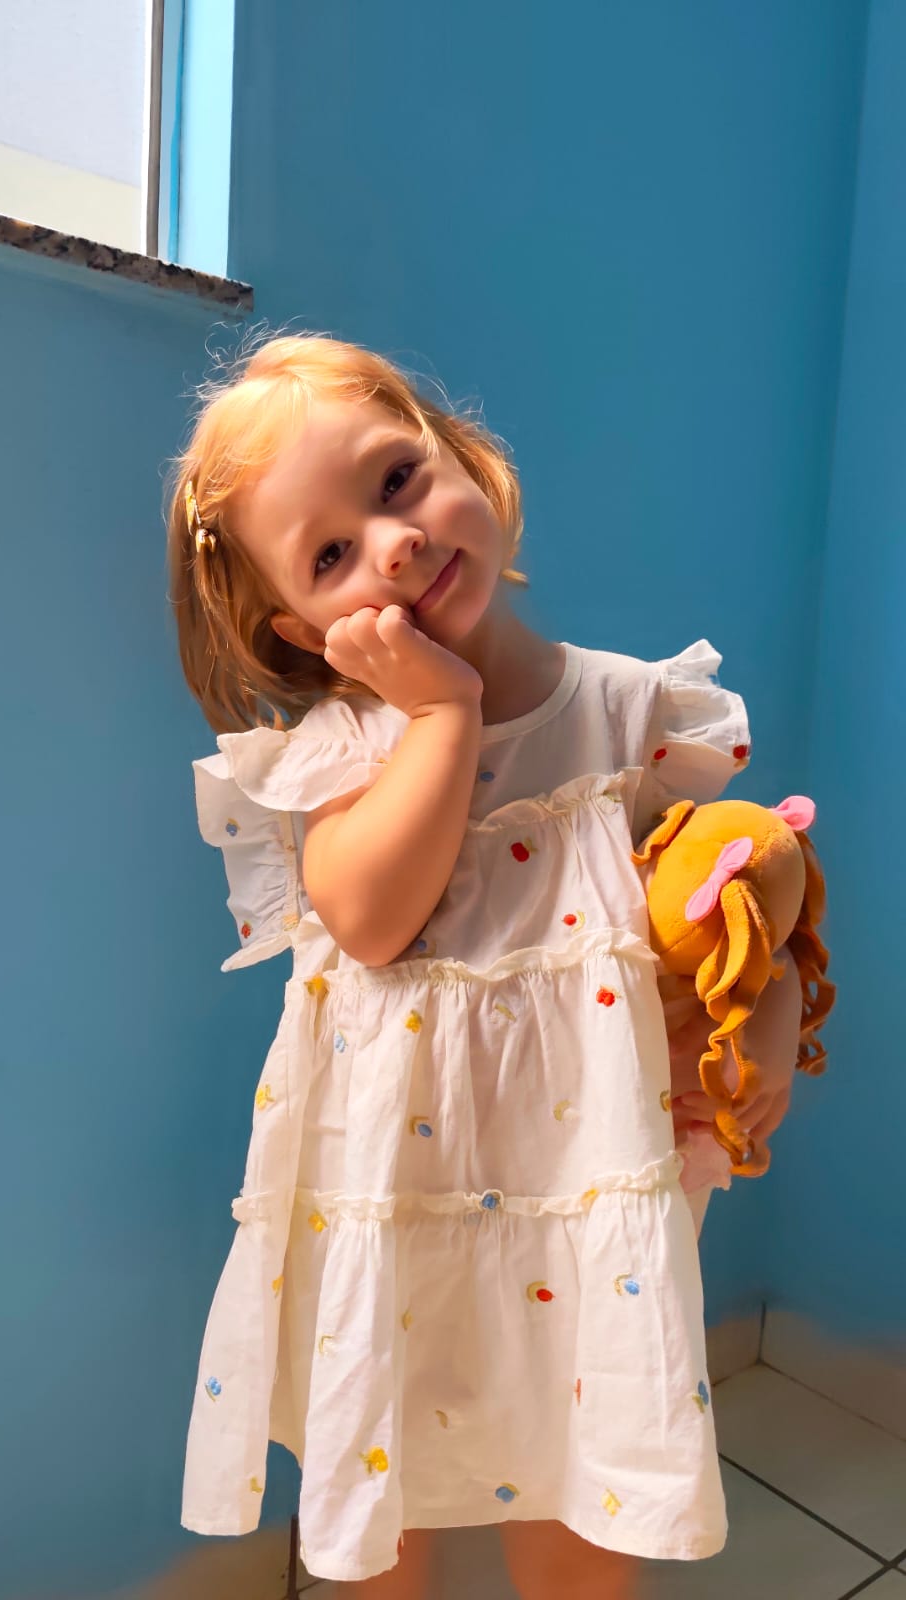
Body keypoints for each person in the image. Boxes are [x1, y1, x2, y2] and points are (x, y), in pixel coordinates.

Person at [165, 331, 802, 1600]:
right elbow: (370, 921)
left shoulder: (630, 713)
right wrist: (440, 711)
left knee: (579, 1494)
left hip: (578, 1201)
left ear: (465, 458)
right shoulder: (344, 750)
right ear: (307, 631)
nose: (392, 543)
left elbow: (712, 913)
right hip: (389, 1204)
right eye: (332, 556)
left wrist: (766, 1016)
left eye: (398, 480)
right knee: (378, 1510)